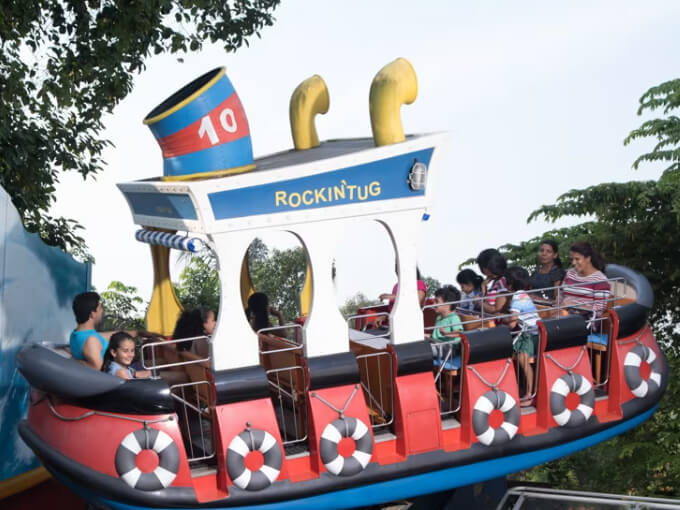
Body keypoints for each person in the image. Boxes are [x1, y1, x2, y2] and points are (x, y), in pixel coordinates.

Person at [505, 266, 541, 402]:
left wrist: (506, 321)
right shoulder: (522, 294)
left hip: (530, 334)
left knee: (523, 360)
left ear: (510, 283)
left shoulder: (517, 297)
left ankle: (530, 393)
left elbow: (512, 323)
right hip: (530, 331)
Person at [560, 242, 610, 329]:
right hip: (564, 314)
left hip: (586, 321)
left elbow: (598, 310)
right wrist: (559, 302)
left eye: (577, 259)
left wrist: (574, 305)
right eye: (572, 259)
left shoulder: (600, 280)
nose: (573, 263)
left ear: (588, 259)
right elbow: (561, 293)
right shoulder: (570, 274)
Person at [70, 292, 112, 370]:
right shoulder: (91, 341)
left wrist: (136, 332)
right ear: (93, 314)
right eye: (100, 308)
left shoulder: (75, 334)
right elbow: (98, 370)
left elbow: (108, 335)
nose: (102, 311)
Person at [477, 250, 509, 315]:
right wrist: (483, 286)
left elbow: (497, 311)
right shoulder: (495, 281)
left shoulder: (503, 282)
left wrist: (478, 301)